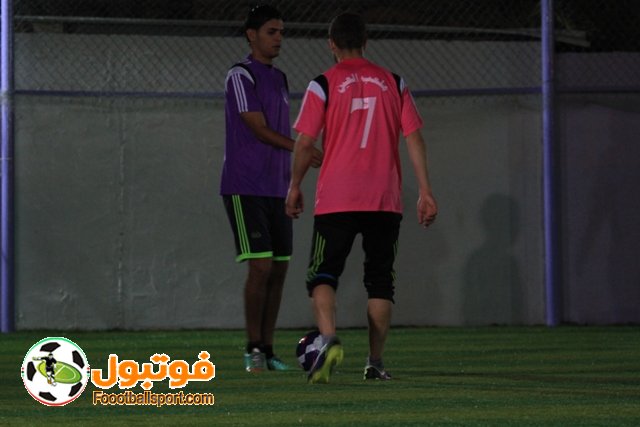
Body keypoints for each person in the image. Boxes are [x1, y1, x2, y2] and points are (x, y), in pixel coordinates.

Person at [286, 12, 438, 383]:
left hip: (337, 197)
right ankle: (375, 362)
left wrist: (295, 185)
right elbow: (414, 137)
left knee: (322, 275)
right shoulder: (394, 82)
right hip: (383, 198)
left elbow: (305, 143)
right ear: (366, 42)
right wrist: (425, 191)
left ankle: (328, 340)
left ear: (331, 44)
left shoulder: (323, 84)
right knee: (380, 281)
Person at [220, 4, 322, 373]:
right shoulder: (240, 75)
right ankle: (252, 349)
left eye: (281, 32)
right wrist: (302, 147)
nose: (279, 38)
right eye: (271, 31)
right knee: (260, 267)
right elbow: (258, 128)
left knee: (278, 270)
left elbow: (279, 131)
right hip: (245, 185)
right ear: (252, 35)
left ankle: (268, 348)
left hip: (277, 187)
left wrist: (293, 183)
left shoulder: (279, 78)